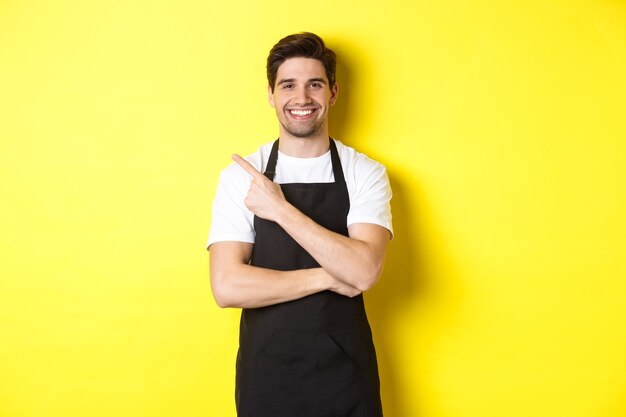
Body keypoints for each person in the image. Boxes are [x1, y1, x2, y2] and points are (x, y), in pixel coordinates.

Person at [207, 32, 393, 417]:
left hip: (347, 375)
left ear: (333, 92)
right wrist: (325, 277)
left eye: (315, 84)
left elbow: (364, 271)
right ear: (271, 95)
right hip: (266, 375)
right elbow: (227, 286)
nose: (302, 98)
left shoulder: (365, 172)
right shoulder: (243, 176)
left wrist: (280, 209)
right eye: (288, 85)